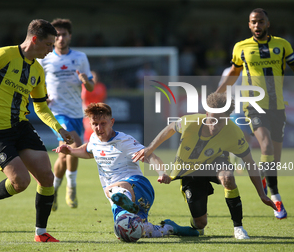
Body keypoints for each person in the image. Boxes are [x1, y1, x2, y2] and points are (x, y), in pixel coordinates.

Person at [0, 19, 73, 242]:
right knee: (21, 182)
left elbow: (40, 106)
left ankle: (41, 233)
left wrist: (59, 128)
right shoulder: (2, 56)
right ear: (35, 39)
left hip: (21, 127)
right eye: (48, 45)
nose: (51, 50)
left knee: (47, 177)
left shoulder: (37, 70)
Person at [133, 93, 276, 239]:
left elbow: (250, 163)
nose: (215, 124)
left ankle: (238, 227)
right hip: (190, 171)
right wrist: (149, 149)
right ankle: (192, 224)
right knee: (200, 224)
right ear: (207, 113)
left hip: (216, 161)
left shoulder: (233, 133)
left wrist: (261, 194)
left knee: (227, 178)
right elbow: (170, 128)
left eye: (220, 120)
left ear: (227, 118)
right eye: (212, 118)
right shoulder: (190, 122)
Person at [53, 102, 199, 239]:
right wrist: (71, 151)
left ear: (112, 122)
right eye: (95, 124)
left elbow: (150, 156)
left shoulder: (124, 141)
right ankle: (170, 228)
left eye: (103, 123)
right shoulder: (94, 139)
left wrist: (162, 173)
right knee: (128, 232)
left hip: (139, 186)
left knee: (112, 190)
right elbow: (88, 150)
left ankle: (125, 200)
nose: (99, 128)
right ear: (90, 124)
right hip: (116, 197)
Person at [216, 8, 294, 219]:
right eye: (253, 22)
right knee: (266, 145)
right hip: (254, 106)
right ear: (249, 25)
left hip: (278, 106)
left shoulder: (283, 45)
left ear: (268, 24)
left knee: (274, 158)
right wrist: (217, 94)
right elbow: (233, 72)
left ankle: (266, 178)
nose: (257, 25)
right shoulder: (241, 47)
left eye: (261, 21)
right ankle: (276, 197)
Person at [38, 18, 94, 211]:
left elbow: (91, 85)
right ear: (53, 38)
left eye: (64, 34)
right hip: (57, 113)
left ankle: (52, 191)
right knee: (75, 144)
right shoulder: (45, 58)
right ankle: (72, 188)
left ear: (70, 36)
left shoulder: (80, 57)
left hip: (77, 113)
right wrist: (40, 97)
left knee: (64, 155)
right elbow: (34, 82)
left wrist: (85, 81)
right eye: (57, 35)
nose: (60, 38)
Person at [81, 70, 107, 143]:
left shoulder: (101, 87)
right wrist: (87, 112)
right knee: (90, 128)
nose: (94, 78)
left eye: (95, 76)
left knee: (101, 129)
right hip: (89, 112)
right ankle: (87, 144)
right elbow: (83, 100)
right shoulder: (84, 87)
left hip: (99, 112)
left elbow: (104, 99)